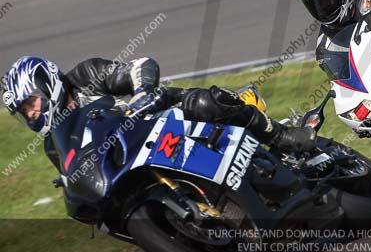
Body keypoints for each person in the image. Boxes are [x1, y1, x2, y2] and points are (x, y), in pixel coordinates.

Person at [2, 56, 317, 170]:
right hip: (132, 163)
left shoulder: (85, 76)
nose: (31, 115)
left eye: (30, 104)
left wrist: (143, 92)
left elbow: (140, 67)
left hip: (161, 117)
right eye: (23, 113)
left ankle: (282, 136)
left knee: (206, 103)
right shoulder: (52, 145)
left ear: (46, 85)